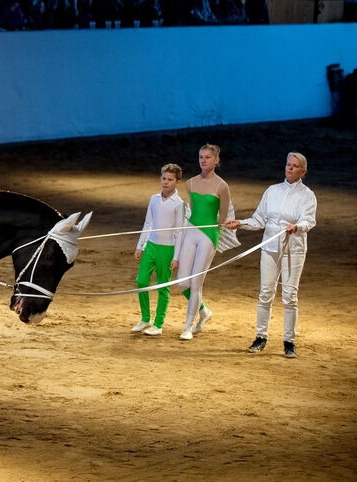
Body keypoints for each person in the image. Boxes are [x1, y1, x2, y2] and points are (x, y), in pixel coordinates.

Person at [224, 152, 316, 358]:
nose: (290, 168)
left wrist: (296, 227)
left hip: (293, 249)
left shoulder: (307, 195)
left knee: (290, 295)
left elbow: (308, 221)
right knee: (265, 292)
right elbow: (259, 220)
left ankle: (289, 341)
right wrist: (240, 223)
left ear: (303, 171)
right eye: (288, 164)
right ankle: (260, 337)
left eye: (295, 166)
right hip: (270, 247)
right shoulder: (272, 191)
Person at [174, 143, 237, 340]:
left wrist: (216, 231)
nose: (203, 160)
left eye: (208, 157)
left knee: (195, 283)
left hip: (208, 236)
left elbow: (223, 217)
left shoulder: (222, 186)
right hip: (191, 232)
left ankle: (187, 327)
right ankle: (204, 312)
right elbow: (193, 210)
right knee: (182, 282)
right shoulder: (190, 183)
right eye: (201, 157)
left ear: (216, 160)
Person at [132, 163, 184, 336]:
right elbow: (148, 223)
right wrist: (140, 245)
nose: (166, 182)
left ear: (177, 181)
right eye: (164, 178)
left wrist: (176, 257)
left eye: (170, 179)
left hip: (167, 249)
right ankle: (145, 318)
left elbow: (179, 231)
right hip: (151, 246)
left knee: (163, 286)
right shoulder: (154, 199)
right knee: (141, 281)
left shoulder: (179, 204)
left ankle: (158, 324)